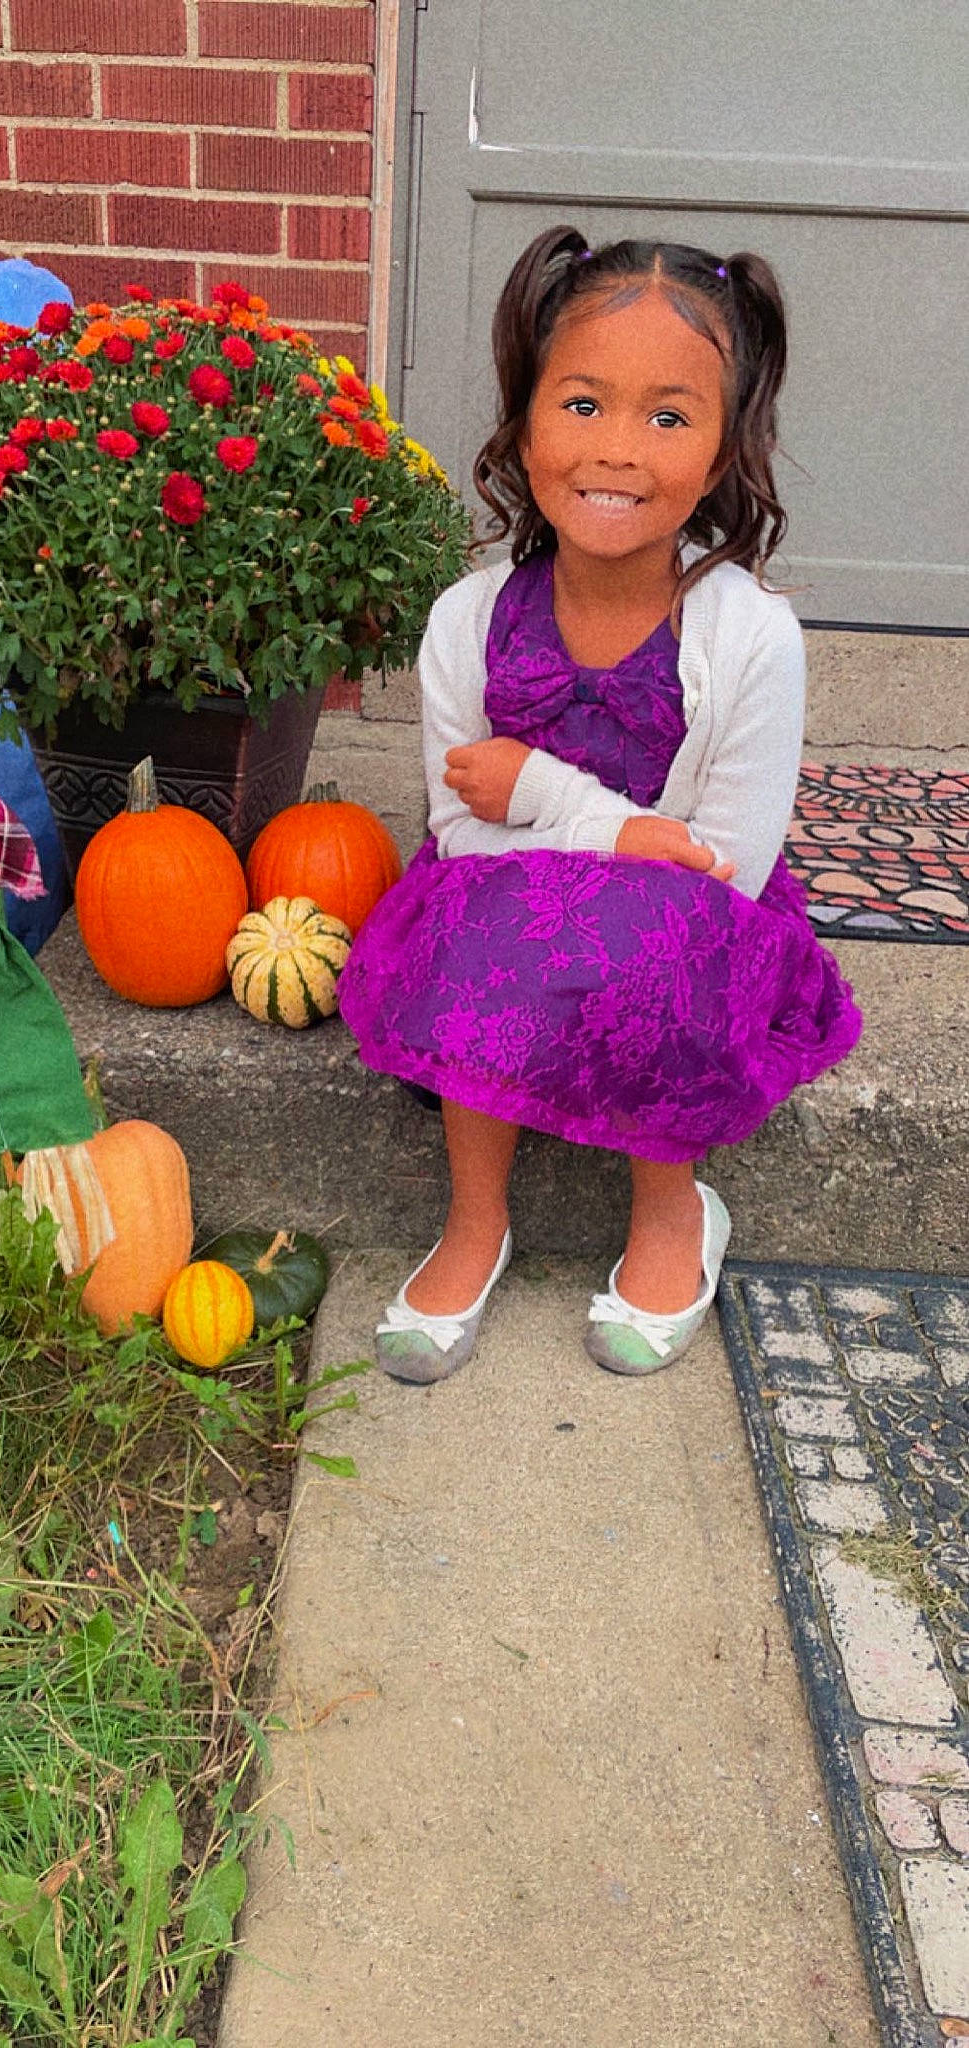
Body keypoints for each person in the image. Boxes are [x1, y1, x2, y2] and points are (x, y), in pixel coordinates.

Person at [338, 227, 863, 1383]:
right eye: (581, 403)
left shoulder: (750, 635)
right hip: (510, 892)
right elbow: (462, 827)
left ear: (728, 445)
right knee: (471, 920)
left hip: (697, 916)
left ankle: (673, 1211)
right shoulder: (467, 621)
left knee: (655, 934)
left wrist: (550, 793)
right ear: (524, 419)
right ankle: (477, 1215)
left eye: (669, 416)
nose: (617, 449)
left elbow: (716, 858)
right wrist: (598, 827)